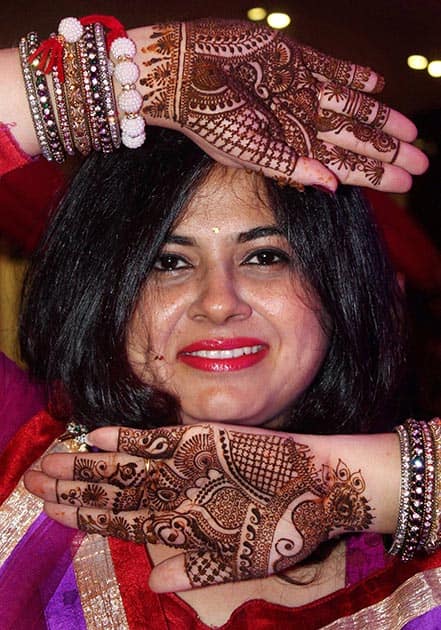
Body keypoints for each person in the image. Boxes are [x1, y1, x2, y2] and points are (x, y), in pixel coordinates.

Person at [0, 14, 437, 630]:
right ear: (105, 288)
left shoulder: (422, 573)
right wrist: (113, 78)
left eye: (264, 256)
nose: (218, 301)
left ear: (338, 285)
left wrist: (360, 487)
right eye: (169, 261)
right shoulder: (19, 463)